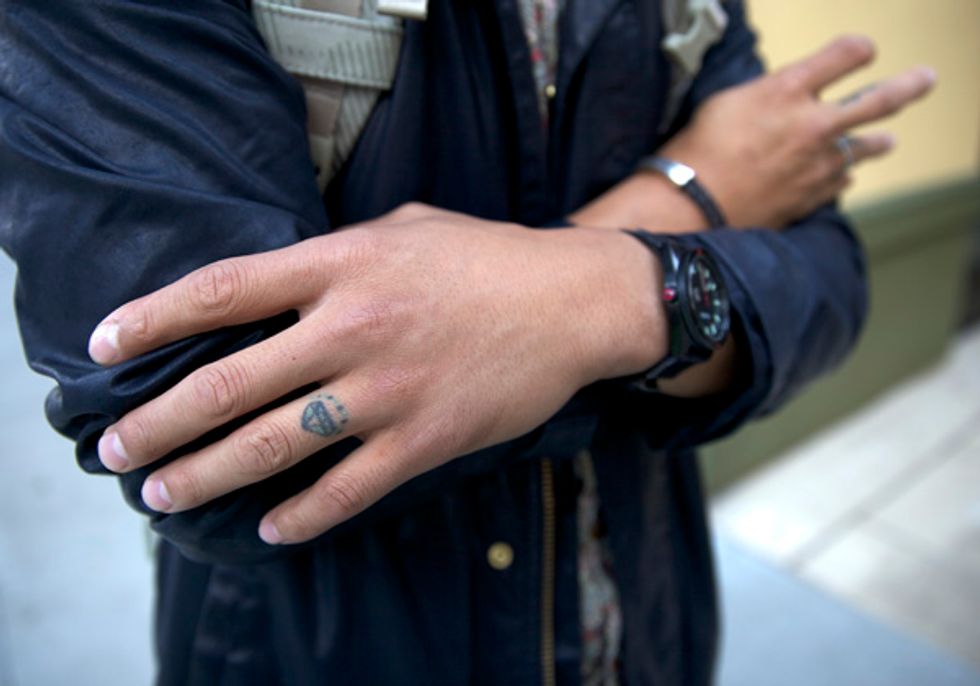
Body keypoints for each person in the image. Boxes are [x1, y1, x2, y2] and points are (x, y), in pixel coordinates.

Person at [0, 1, 932, 684]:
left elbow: (829, 273)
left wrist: (589, 298)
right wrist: (686, 199)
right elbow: (215, 448)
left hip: (649, 633)